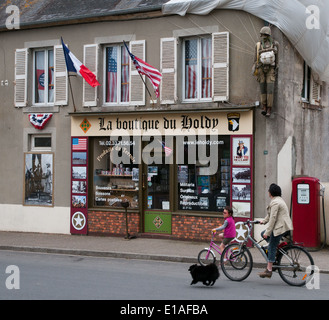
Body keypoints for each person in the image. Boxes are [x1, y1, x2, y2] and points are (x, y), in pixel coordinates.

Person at [258, 183, 293, 278]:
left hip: (280, 228)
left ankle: (269, 270)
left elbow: (273, 218)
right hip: (283, 227)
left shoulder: (275, 202)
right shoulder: (278, 200)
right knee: (263, 234)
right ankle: (276, 250)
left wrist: (267, 232)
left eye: (268, 190)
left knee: (271, 247)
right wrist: (263, 221)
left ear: (271, 193)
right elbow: (270, 216)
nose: (268, 192)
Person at [252, 26, 279, 117]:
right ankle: (264, 106)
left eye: (265, 35)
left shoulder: (275, 44)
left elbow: (277, 60)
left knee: (270, 89)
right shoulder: (258, 45)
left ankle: (269, 108)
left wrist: (276, 68)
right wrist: (256, 69)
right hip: (261, 69)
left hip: (271, 69)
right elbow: (255, 59)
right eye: (263, 35)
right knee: (262, 88)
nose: (264, 36)